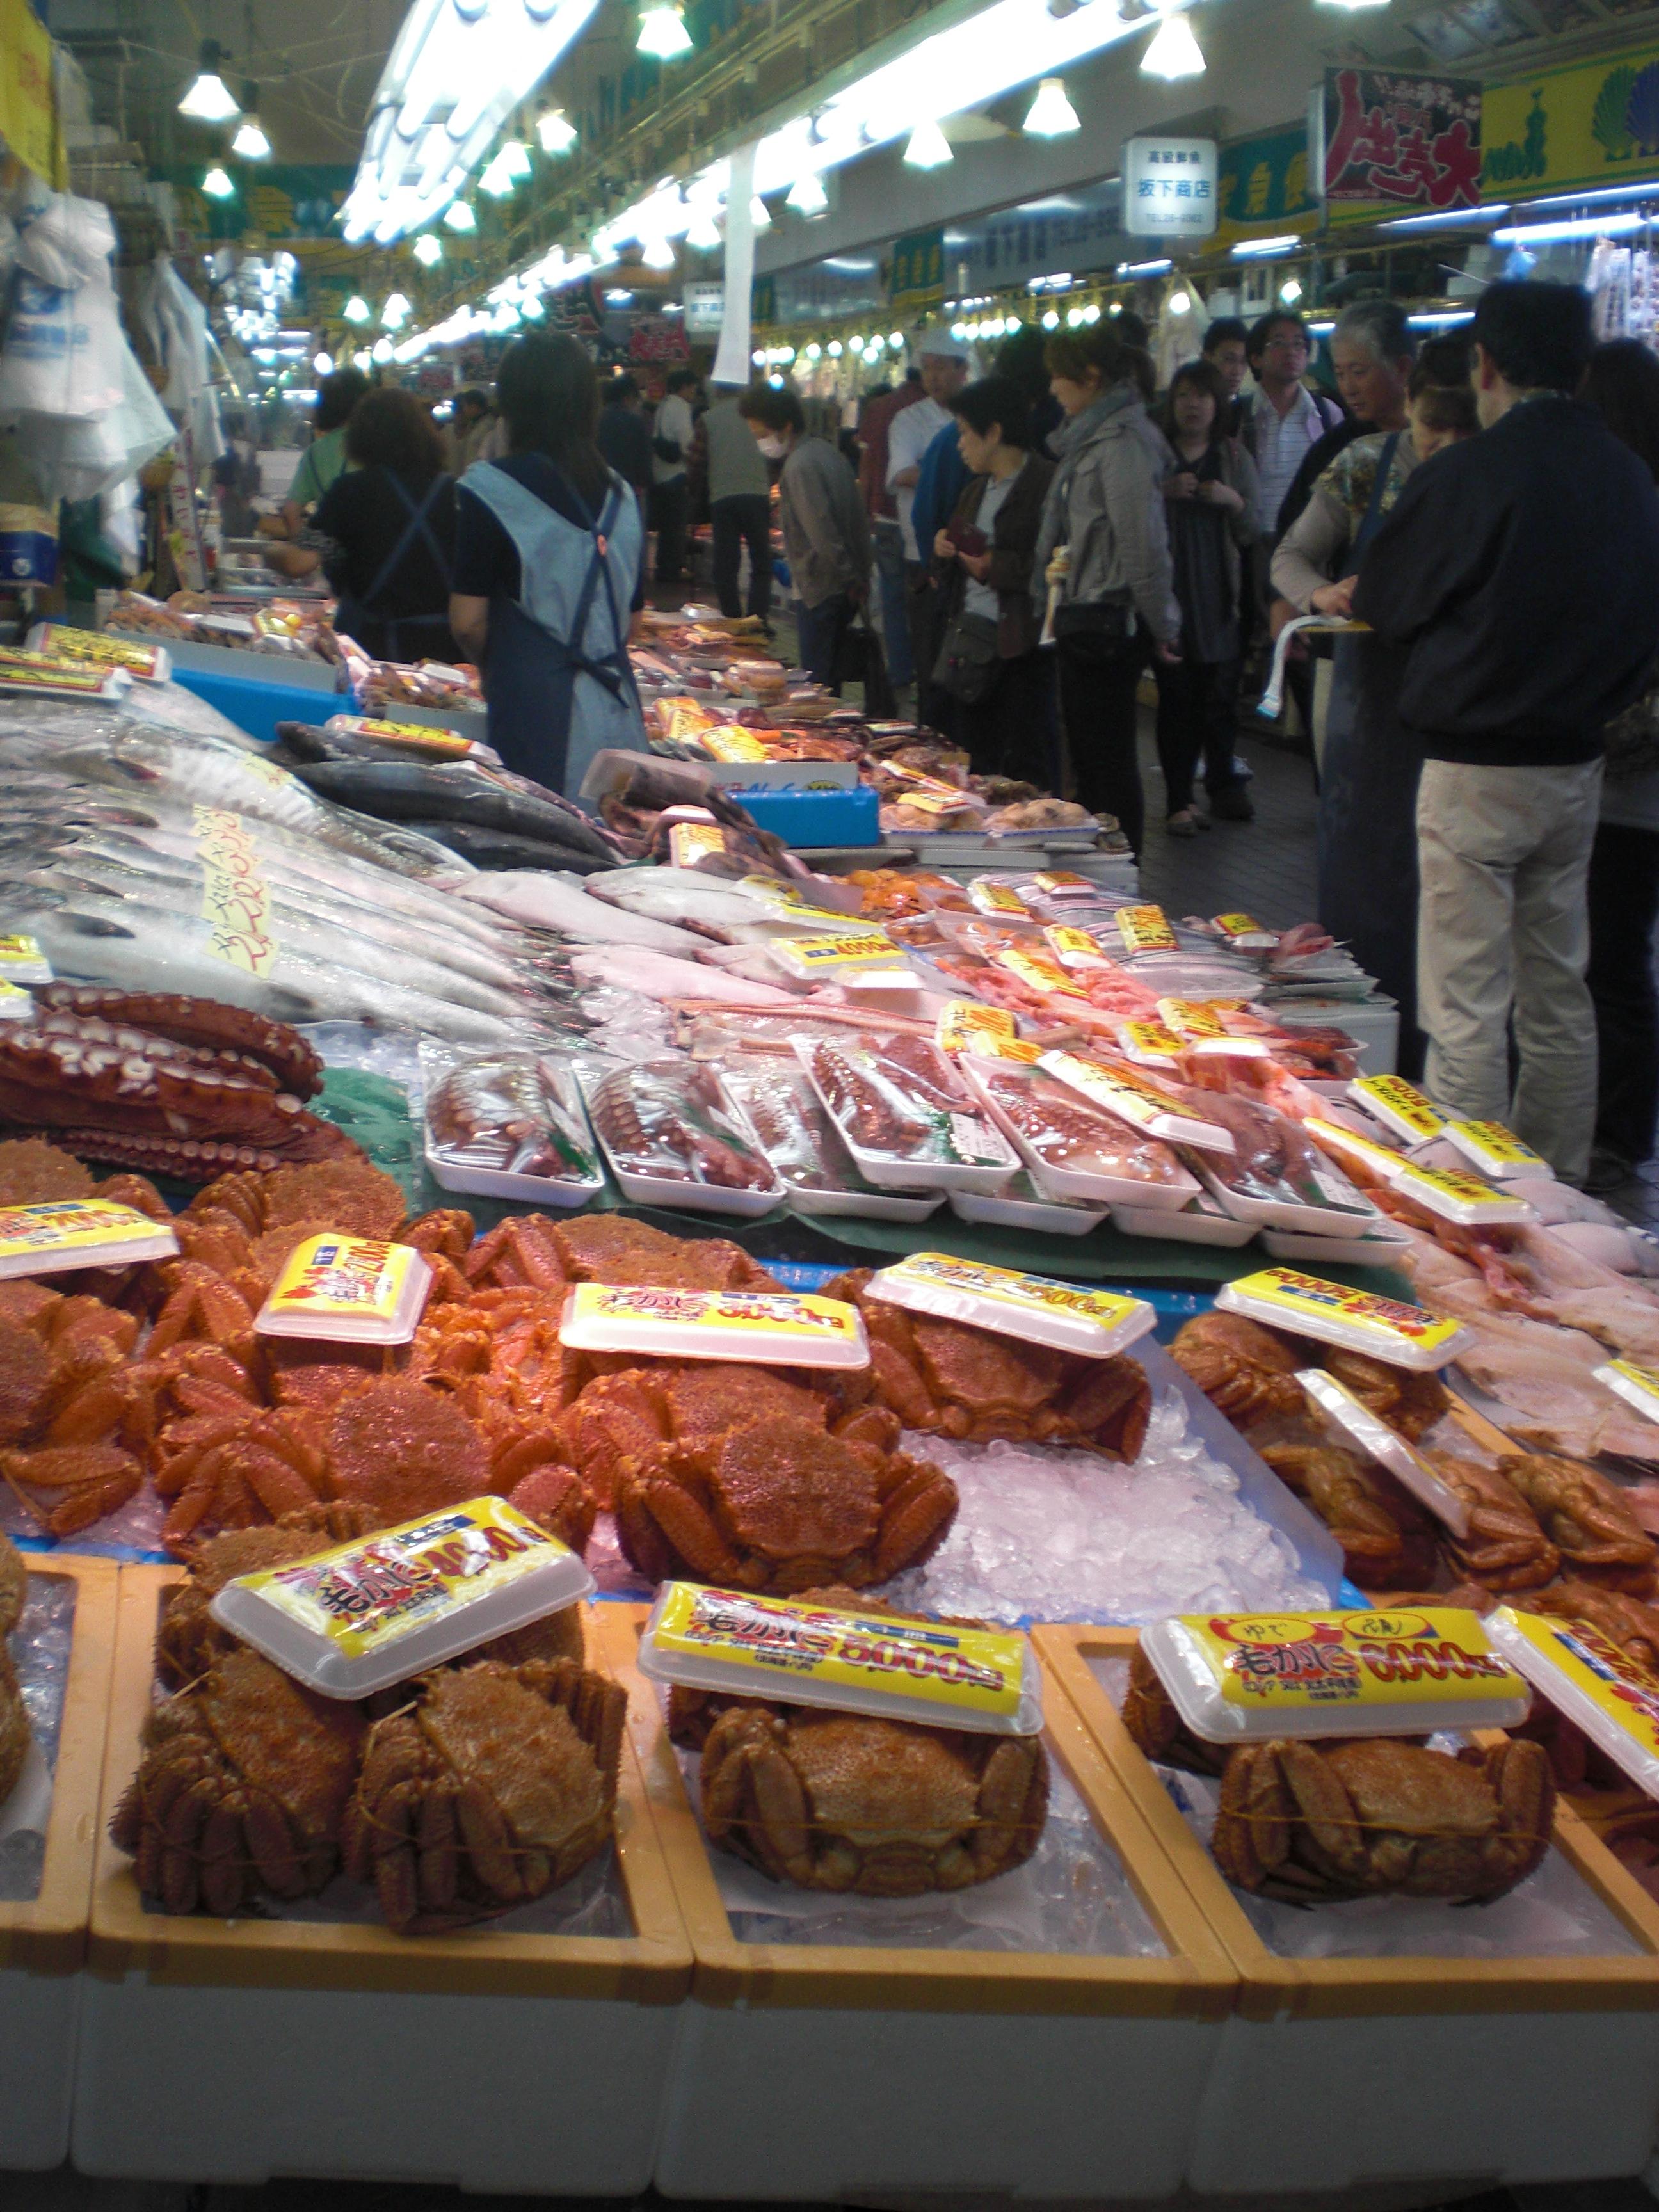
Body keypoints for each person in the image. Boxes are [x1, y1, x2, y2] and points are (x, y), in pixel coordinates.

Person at [1354, 282, 1659, 1181]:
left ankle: (1471, 1199)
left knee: (1467, 1004)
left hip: (1476, 769)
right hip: (1577, 767)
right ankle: (1555, 1184)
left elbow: (1388, 600)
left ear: (1485, 364)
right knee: (1559, 989)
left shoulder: (1471, 472)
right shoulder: (1630, 477)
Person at [1273, 335, 1477, 1078]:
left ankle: (1434, 1072)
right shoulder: (1365, 464)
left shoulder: (1497, 480)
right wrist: (1320, 594)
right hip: (1367, 708)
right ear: (1410, 406)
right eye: (1429, 427)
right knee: (1367, 890)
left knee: (1450, 904)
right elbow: (1290, 556)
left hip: (1458, 713)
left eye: (1459, 429)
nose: (1441, 445)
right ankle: (1361, 1057)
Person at [448, 332, 647, 798]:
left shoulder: (488, 489)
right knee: (618, 829)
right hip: (619, 711)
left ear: (512, 405)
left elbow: (467, 622)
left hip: (536, 716)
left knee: (547, 834)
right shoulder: (621, 494)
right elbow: (632, 621)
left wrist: (507, 663)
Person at [1032, 325, 1179, 858]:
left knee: (1108, 763)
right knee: (1093, 763)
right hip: (1084, 617)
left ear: (1091, 378)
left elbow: (1143, 545)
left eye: (1059, 376)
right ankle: (1104, 873)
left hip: (1108, 625)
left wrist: (1164, 625)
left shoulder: (1122, 445)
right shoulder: (1091, 439)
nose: (1053, 388)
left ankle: (1124, 870)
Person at [1579, 340, 1659, 1188]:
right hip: (1615, 786)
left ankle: (1621, 1132)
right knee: (1614, 955)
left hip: (1623, 785)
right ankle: (1615, 1127)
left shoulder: (1630, 514)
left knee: (1611, 959)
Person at [930, 374, 1055, 785]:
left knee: (1027, 763)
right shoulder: (976, 490)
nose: (960, 444)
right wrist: (943, 548)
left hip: (1022, 647)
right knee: (975, 760)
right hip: (973, 645)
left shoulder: (1046, 485)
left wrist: (995, 567)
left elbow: (1057, 564)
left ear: (995, 432)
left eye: (966, 432)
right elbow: (956, 558)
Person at [1153, 357, 1260, 837]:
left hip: (1218, 596)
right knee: (1174, 697)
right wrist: (1163, 491)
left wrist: (1231, 500)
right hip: (1168, 594)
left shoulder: (1234, 458)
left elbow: (1253, 528)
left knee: (1207, 700)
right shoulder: (1156, 456)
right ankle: (1177, 801)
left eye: (1201, 396)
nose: (1192, 405)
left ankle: (1190, 796)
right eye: (1183, 395)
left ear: (1218, 404)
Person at [312, 386, 460, 664]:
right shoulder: (455, 492)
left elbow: (301, 560)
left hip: (374, 654)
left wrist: (272, 553)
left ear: (361, 438)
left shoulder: (350, 491)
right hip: (447, 656)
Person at [738, 383, 869, 691]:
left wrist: (850, 577)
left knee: (818, 686)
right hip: (839, 585)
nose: (761, 443)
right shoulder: (825, 451)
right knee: (829, 677)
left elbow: (822, 532)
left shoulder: (800, 466)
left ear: (786, 426)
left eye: (762, 434)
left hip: (822, 589)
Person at [1276, 300, 1413, 541]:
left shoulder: (1444, 436)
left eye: (1358, 372)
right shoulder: (1335, 450)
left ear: (1401, 367)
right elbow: (1291, 536)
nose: (1348, 388)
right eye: (1340, 374)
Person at [888, 332, 971, 723]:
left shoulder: (976, 414)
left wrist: (932, 470)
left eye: (941, 367)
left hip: (971, 558)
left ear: (963, 370)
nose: (933, 377)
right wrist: (953, 475)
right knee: (929, 654)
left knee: (966, 657)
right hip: (920, 556)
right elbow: (903, 473)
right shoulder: (909, 419)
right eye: (927, 368)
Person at [856, 376, 924, 691]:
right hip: (922, 520)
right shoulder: (929, 409)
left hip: (884, 514)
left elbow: (866, 464)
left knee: (893, 599)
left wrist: (865, 509)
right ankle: (924, 670)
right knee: (923, 601)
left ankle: (900, 671)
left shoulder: (880, 407)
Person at [693, 381, 773, 621]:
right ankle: (757, 619)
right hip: (757, 493)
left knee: (726, 564)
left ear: (717, 390)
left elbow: (696, 462)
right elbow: (775, 454)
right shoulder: (760, 416)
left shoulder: (708, 419)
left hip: (722, 496)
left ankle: (732, 617)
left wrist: (694, 494)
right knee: (761, 561)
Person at [278, 368, 369, 534]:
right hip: (373, 544)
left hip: (332, 544)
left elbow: (291, 511)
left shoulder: (315, 452)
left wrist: (306, 545)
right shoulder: (374, 443)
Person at [595, 374, 655, 551]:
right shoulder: (635, 422)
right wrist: (647, 482)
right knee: (633, 541)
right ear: (628, 398)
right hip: (631, 489)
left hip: (600, 489)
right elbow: (644, 458)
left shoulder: (595, 421)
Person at [651, 366, 697, 586]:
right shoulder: (681, 407)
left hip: (659, 474)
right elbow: (687, 443)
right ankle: (672, 570)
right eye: (692, 388)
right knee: (676, 526)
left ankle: (664, 568)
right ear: (685, 387)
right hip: (676, 474)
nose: (694, 393)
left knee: (665, 527)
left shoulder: (663, 405)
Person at [1201, 317, 1250, 438]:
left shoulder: (1246, 412)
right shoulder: (1189, 409)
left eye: (1244, 361)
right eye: (1229, 359)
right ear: (1207, 358)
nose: (1237, 371)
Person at [450, 389, 495, 472]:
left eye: (465, 406)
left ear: (474, 407)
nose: (464, 410)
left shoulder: (486, 427)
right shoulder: (475, 425)